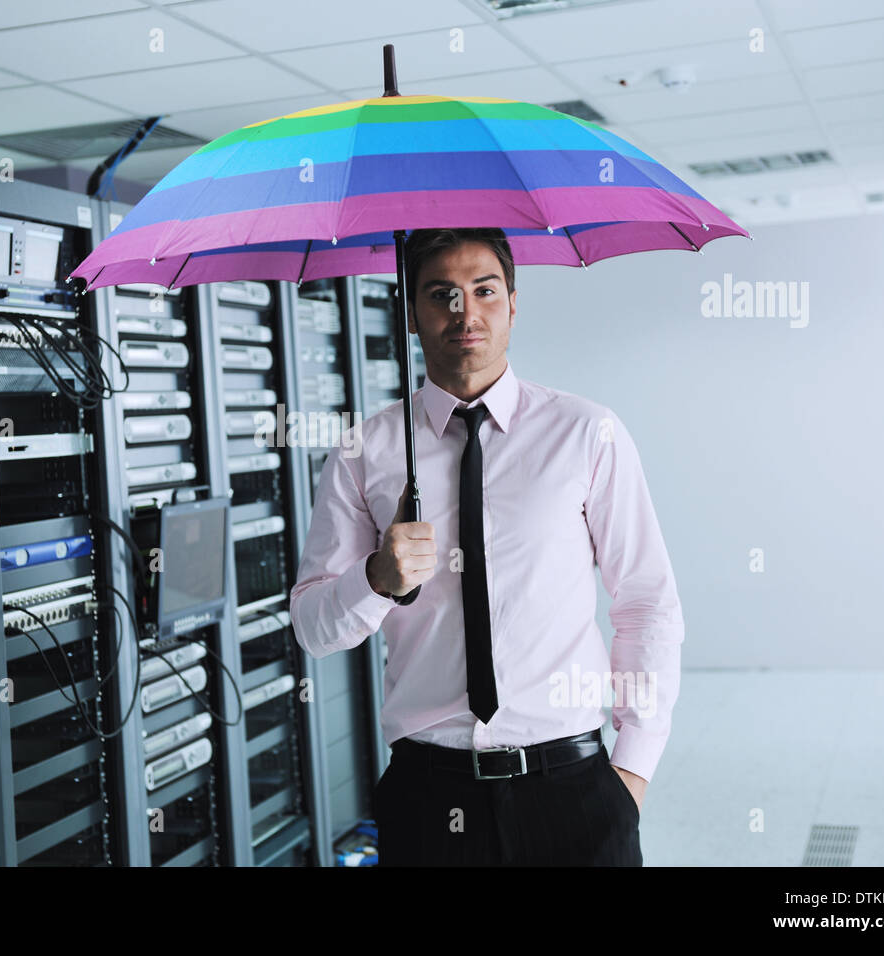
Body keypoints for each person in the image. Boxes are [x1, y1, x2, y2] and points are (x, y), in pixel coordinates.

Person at [289, 227, 684, 866]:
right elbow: (312, 627)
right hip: (427, 795)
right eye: (440, 293)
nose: (464, 312)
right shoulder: (366, 451)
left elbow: (646, 602)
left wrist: (632, 770)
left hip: (572, 788)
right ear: (410, 312)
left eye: (484, 290)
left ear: (514, 303)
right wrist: (376, 579)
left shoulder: (587, 433)